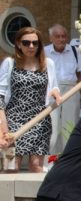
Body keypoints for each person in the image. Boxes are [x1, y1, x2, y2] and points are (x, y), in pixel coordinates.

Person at [0, 27, 62, 172]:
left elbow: (54, 86)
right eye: (26, 42)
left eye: (35, 43)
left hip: (40, 121)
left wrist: (55, 92)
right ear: (18, 44)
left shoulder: (47, 63)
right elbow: (0, 95)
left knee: (36, 166)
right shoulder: (10, 63)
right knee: (11, 167)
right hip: (13, 121)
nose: (31, 46)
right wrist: (3, 128)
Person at [44, 24, 81, 155]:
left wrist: (79, 95)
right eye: (57, 36)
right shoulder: (44, 52)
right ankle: (50, 159)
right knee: (52, 126)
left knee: (70, 124)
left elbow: (79, 74)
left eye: (63, 36)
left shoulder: (75, 51)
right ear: (51, 38)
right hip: (51, 89)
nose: (61, 39)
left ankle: (68, 157)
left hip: (71, 89)